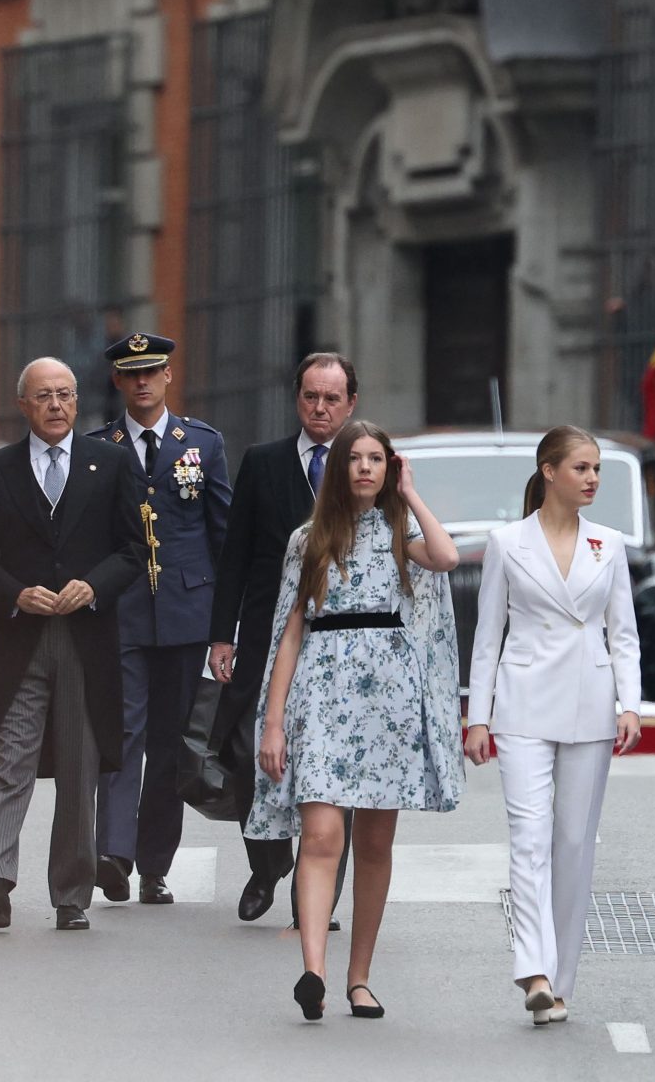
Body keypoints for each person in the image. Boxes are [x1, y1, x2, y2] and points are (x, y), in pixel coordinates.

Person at [252, 420, 462, 1021]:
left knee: (374, 842)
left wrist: (411, 492)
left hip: (388, 700)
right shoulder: (308, 539)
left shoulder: (400, 531)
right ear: (339, 467)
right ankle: (313, 971)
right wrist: (273, 723)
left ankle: (360, 977)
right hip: (321, 693)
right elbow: (288, 635)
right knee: (320, 836)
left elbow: (445, 557)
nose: (366, 468)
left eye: (378, 459)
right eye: (357, 459)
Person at [0, 357, 147, 932]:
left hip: (86, 637)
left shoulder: (112, 463)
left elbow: (132, 550)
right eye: (44, 396)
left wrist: (93, 587)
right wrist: (17, 595)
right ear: (24, 405)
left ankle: (71, 893)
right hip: (22, 637)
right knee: (10, 755)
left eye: (65, 394)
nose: (57, 405)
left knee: (78, 765)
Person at [465, 426, 643, 1027]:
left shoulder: (609, 545)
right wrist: (478, 717)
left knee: (573, 844)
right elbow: (488, 636)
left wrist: (630, 705)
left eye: (597, 469)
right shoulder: (506, 541)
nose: (593, 478)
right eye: (582, 468)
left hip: (591, 704)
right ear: (549, 471)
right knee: (530, 837)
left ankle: (559, 981)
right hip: (522, 705)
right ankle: (532, 969)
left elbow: (623, 634)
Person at [208, 352, 358, 927]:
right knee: (246, 752)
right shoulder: (263, 462)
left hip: (342, 640)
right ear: (297, 399)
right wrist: (223, 635)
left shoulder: (365, 463)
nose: (319, 409)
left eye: (331, 399)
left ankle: (314, 894)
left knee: (334, 763)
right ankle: (267, 863)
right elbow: (236, 554)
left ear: (350, 405)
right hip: (266, 628)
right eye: (310, 398)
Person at [88, 332, 231, 904]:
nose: (143, 381)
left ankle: (154, 865)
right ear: (119, 382)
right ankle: (113, 855)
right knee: (121, 732)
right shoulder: (101, 446)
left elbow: (222, 532)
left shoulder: (202, 443)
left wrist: (228, 623)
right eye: (132, 373)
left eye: (152, 371)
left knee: (172, 743)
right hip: (122, 612)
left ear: (168, 377)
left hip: (186, 612)